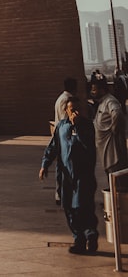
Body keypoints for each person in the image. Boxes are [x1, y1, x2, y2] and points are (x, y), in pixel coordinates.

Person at [40, 95, 99, 255]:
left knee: (82, 207)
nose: (76, 113)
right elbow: (53, 147)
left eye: (78, 110)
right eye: (73, 110)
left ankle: (90, 235)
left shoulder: (87, 126)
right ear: (66, 110)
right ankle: (78, 239)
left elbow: (89, 147)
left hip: (83, 176)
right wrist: (45, 164)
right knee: (68, 207)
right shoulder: (62, 126)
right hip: (67, 176)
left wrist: (77, 128)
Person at [92, 78, 127, 174]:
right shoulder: (102, 102)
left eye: (95, 90)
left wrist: (114, 128)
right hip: (103, 145)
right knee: (109, 170)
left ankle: (117, 188)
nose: (92, 92)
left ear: (102, 90)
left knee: (115, 170)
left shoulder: (110, 101)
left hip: (111, 144)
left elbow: (117, 113)